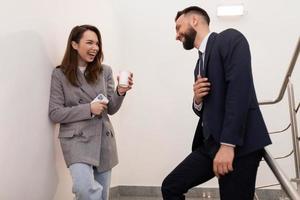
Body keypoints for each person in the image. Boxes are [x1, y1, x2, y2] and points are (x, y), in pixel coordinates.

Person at [161, 6, 271, 200]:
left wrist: (228, 145)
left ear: (194, 20)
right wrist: (197, 100)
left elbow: (239, 91)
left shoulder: (230, 38)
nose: (176, 36)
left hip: (239, 146)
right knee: (171, 186)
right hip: (210, 146)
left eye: (178, 28)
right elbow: (206, 110)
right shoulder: (198, 65)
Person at [48, 25, 133, 200]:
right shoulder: (60, 74)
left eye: (97, 43)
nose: (95, 47)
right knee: (85, 190)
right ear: (74, 44)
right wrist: (88, 109)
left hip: (103, 139)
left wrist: (120, 92)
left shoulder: (105, 71)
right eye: (89, 42)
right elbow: (55, 113)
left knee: (102, 195)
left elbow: (111, 109)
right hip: (75, 139)